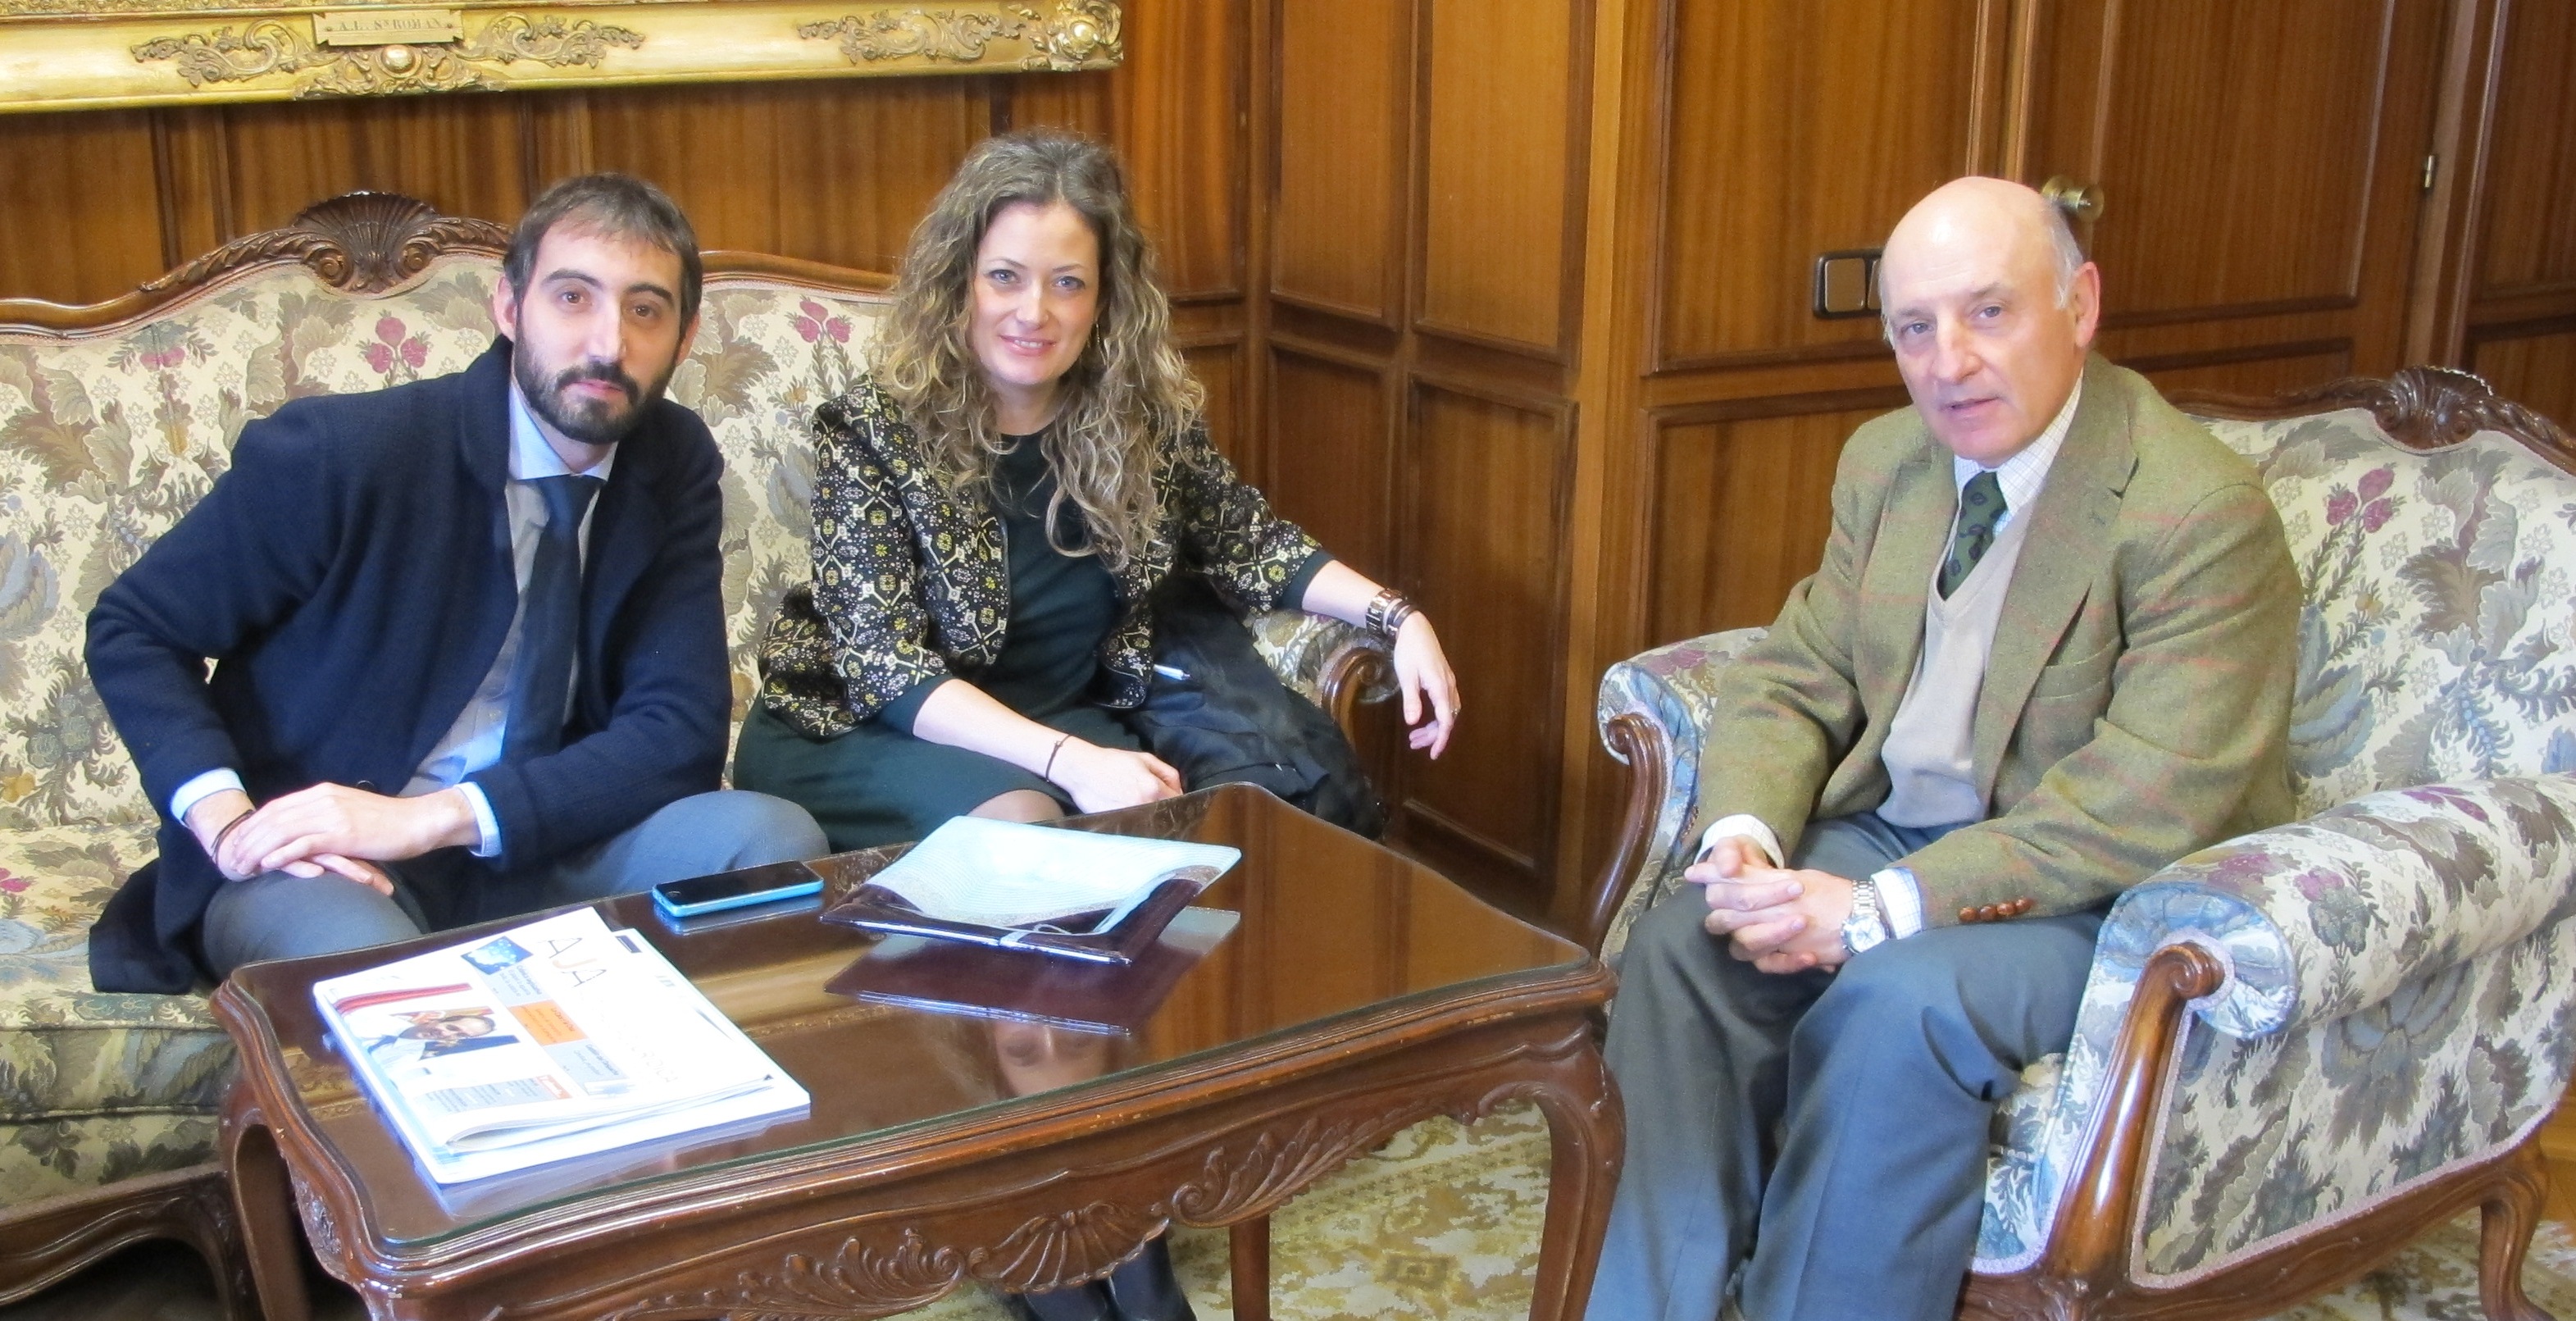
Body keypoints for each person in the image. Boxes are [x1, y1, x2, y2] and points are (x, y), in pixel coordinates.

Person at [1587, 177, 2302, 1321]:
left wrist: (1877, 909)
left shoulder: (2189, 508)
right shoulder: (1889, 461)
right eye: (1913, 328)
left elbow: (2143, 799)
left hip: (2099, 891)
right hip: (1887, 825)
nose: (1947, 360)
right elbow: (1796, 669)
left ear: (2078, 304)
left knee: (1898, 1001)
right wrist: (1745, 839)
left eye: (1988, 313)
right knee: (1686, 943)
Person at [86, 173, 829, 995]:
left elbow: (678, 730)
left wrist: (435, 820)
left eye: (644, 310)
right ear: (509, 309)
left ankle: (720, 1112)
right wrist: (228, 823)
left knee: (769, 839)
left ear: (685, 337)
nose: (607, 344)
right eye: (572, 298)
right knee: (385, 985)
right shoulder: (346, 454)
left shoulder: (670, 459)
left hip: (530, 840)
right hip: (330, 862)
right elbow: (136, 630)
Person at [735, 128, 1461, 856]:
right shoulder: (871, 430)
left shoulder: (1142, 419)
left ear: (1105, 299)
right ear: (960, 282)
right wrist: (1071, 761)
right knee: (1030, 833)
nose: (1034, 312)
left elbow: (1251, 541)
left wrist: (1400, 617)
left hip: (1051, 715)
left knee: (1194, 827)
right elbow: (888, 670)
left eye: (1068, 282)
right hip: (862, 726)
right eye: (1006, 277)